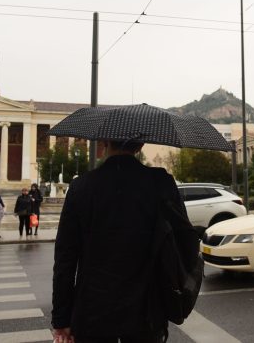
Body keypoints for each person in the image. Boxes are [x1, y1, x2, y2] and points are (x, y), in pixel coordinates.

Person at [52, 140, 198, 343]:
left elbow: (65, 259)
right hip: (147, 307)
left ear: (104, 143)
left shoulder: (81, 186)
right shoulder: (160, 182)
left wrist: (61, 319)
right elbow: (186, 239)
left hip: (93, 310)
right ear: (140, 145)